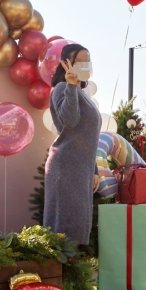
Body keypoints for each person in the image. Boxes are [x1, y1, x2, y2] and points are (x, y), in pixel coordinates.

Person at [43, 43, 101, 246]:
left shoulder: (83, 94)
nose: (86, 65)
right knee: (64, 231)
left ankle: (70, 276)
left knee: (77, 229)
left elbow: (88, 137)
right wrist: (70, 86)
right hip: (66, 167)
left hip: (81, 170)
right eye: (81, 61)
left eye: (88, 60)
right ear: (67, 63)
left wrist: (93, 169)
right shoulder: (60, 89)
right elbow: (69, 121)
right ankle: (60, 276)